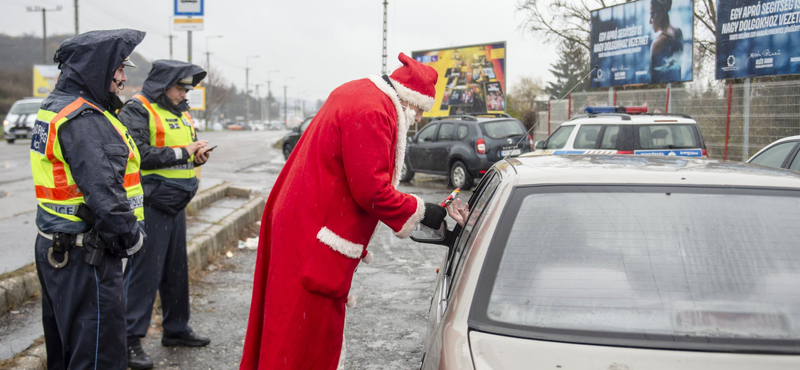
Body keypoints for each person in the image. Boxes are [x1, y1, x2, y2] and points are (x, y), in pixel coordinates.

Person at [240, 53, 447, 370]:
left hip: (300, 221)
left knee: (284, 325)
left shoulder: (360, 93)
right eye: (419, 108)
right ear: (408, 98)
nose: (417, 117)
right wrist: (428, 212)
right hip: (310, 231)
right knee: (301, 335)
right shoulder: (374, 110)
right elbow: (372, 192)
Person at [29, 29, 146, 370]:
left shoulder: (56, 107)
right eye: (119, 68)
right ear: (98, 68)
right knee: (98, 355)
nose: (123, 77)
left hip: (57, 248)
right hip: (86, 257)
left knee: (65, 352)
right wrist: (132, 239)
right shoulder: (85, 119)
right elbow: (107, 197)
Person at [117, 60, 211, 370]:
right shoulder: (137, 109)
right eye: (180, 87)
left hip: (176, 203)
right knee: (144, 273)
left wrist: (196, 154)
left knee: (175, 270)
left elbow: (183, 148)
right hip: (151, 203)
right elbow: (137, 153)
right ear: (163, 85)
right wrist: (183, 152)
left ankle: (176, 328)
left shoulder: (180, 111)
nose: (185, 93)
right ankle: (129, 340)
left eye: (187, 88)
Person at [649, 0, 684, 83]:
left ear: (660, 14)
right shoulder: (678, 31)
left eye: (652, 15)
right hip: (676, 83)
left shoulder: (658, 42)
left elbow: (653, 77)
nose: (650, 21)